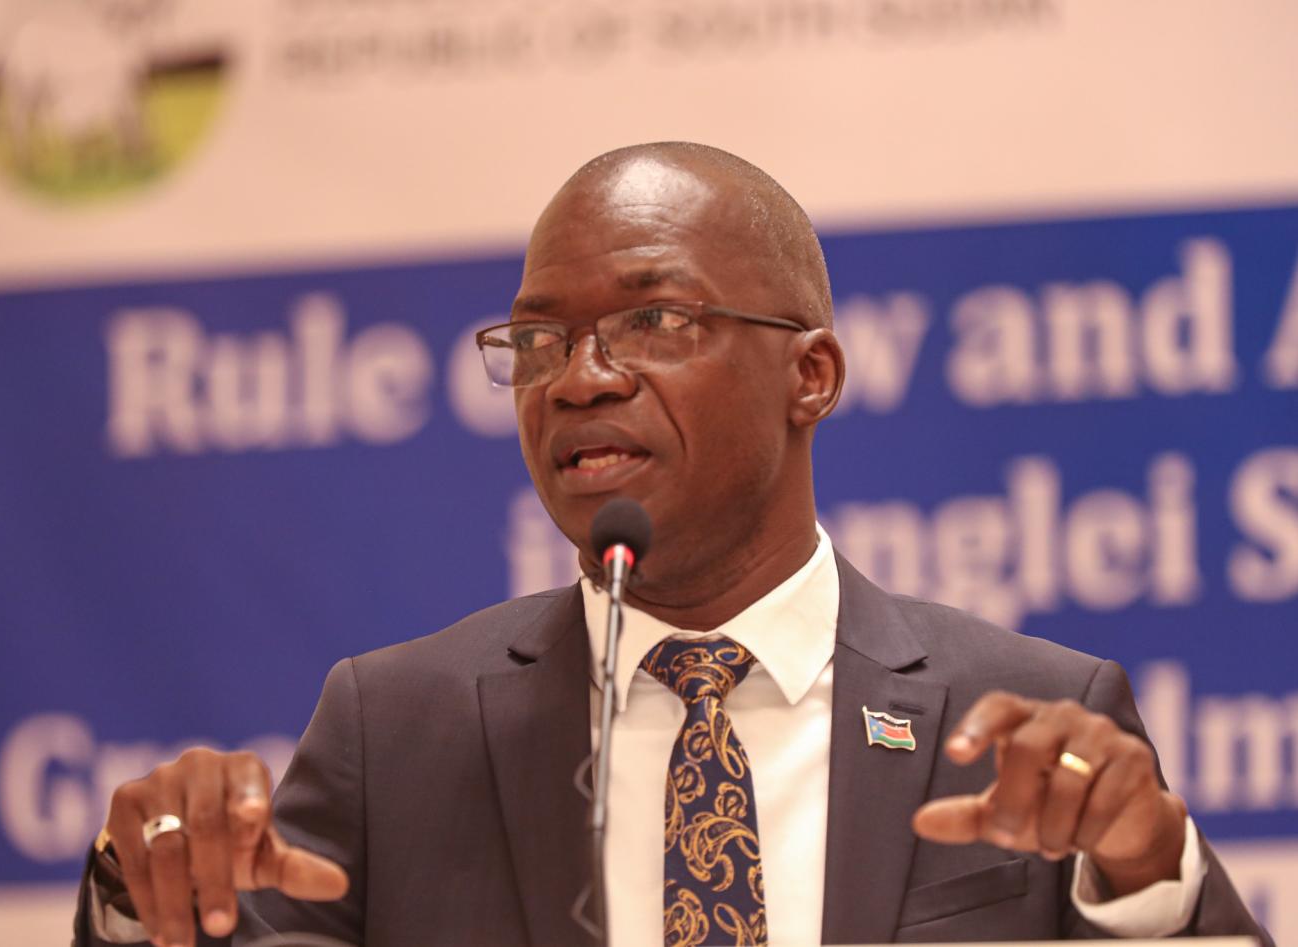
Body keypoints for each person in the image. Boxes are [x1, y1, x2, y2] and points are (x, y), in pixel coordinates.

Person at [74, 143, 1273, 947]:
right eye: (538, 340)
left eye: (653, 318)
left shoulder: (1023, 713)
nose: (579, 379)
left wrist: (1146, 873)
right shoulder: (398, 730)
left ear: (810, 374)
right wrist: (144, 890)